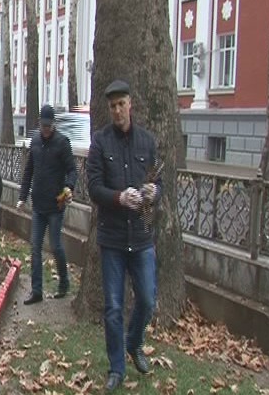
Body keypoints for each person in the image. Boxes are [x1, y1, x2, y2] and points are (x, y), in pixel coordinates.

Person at [86, 80, 161, 392]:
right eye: (113, 106)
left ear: (131, 105)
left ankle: (134, 341)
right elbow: (93, 187)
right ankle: (116, 368)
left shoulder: (147, 141)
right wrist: (119, 198)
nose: (117, 110)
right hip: (113, 238)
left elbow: (157, 180)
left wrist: (154, 192)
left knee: (147, 299)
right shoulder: (100, 142)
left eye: (122, 104)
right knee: (114, 307)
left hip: (142, 235)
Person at [16, 104, 78, 305]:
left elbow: (72, 170)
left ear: (54, 124)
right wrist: (22, 197)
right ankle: (37, 291)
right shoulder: (34, 141)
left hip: (55, 206)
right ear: (39, 124)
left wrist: (69, 187)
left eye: (49, 126)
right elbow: (28, 171)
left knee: (56, 246)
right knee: (35, 247)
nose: (45, 129)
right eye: (43, 126)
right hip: (38, 204)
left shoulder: (62, 143)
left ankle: (64, 283)